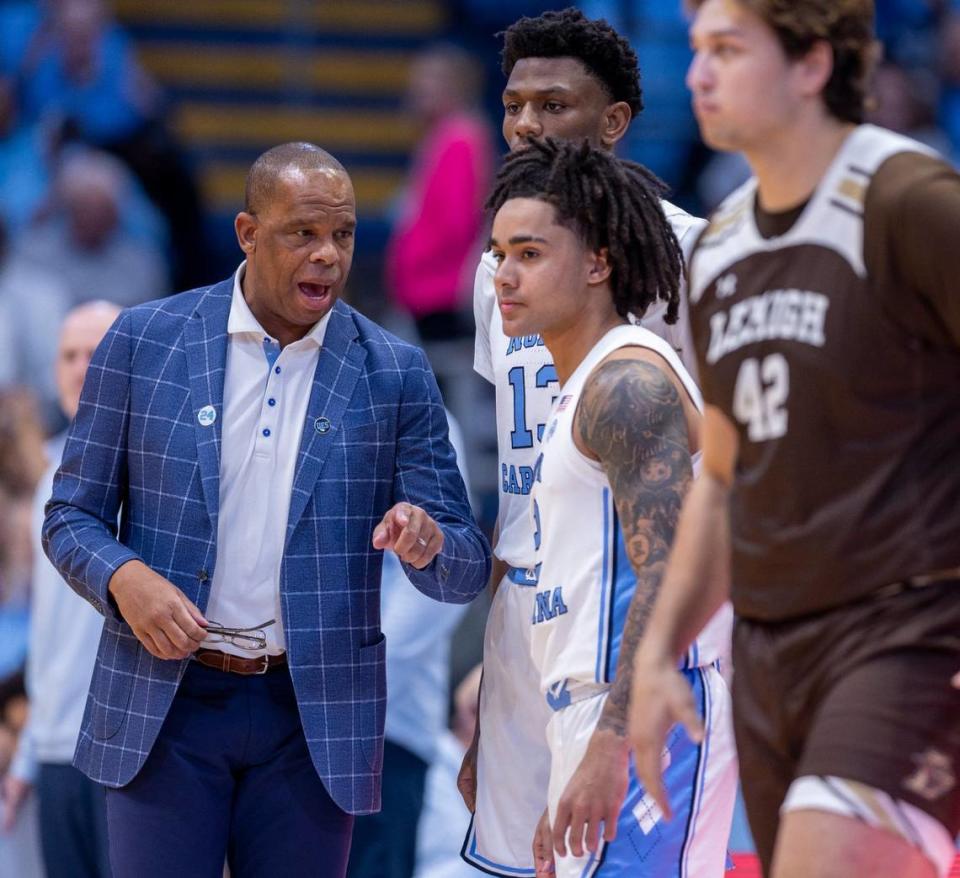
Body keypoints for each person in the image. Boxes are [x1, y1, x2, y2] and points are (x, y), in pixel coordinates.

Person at [41, 141, 491, 878]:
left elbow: (466, 565)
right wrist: (126, 578)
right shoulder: (143, 341)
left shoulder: (394, 373)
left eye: (342, 235)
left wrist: (428, 540)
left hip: (310, 721)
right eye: (303, 234)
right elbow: (68, 516)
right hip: (167, 704)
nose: (328, 256)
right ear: (249, 233)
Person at [629, 2, 960, 877]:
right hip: (770, 652)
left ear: (812, 64)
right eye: (697, 49)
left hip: (908, 627)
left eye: (728, 50)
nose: (697, 73)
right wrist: (658, 654)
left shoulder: (907, 200)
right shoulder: (723, 247)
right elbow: (724, 479)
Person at [461, 9, 723, 876]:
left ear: (612, 122)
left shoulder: (686, 258)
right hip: (541, 623)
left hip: (641, 639)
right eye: (513, 104)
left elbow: (699, 498)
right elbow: (525, 467)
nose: (527, 124)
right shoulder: (500, 271)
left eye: (553, 104)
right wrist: (500, 659)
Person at [3, 301, 120, 878]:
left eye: (96, 352)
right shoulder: (49, 472)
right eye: (69, 355)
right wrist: (27, 754)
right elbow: (49, 633)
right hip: (55, 752)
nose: (81, 368)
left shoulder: (160, 468)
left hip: (130, 747)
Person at [347, 412, 473, 878]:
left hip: (385, 729)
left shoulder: (411, 407)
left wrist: (348, 683)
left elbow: (446, 576)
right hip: (275, 720)